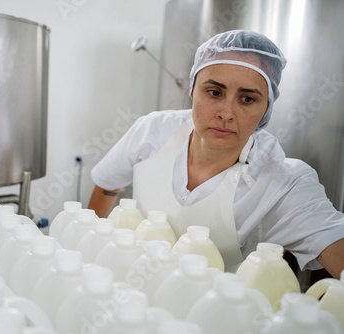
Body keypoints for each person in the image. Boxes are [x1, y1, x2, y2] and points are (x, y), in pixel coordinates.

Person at [88, 30, 344, 276]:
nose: (226, 113)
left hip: (214, 311)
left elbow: (332, 239)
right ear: (193, 90)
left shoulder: (283, 182)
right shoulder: (153, 131)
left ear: (267, 107)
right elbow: (106, 185)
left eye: (247, 99)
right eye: (214, 92)